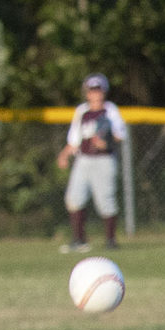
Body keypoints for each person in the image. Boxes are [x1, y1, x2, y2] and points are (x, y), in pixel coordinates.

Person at [55, 74, 125, 253]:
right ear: (87, 92)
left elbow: (119, 135)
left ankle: (111, 240)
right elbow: (74, 139)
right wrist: (64, 155)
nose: (95, 94)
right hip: (83, 159)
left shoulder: (110, 110)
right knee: (74, 198)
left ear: (104, 92)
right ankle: (79, 240)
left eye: (98, 90)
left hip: (104, 159)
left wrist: (106, 141)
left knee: (105, 200)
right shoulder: (82, 111)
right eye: (92, 90)